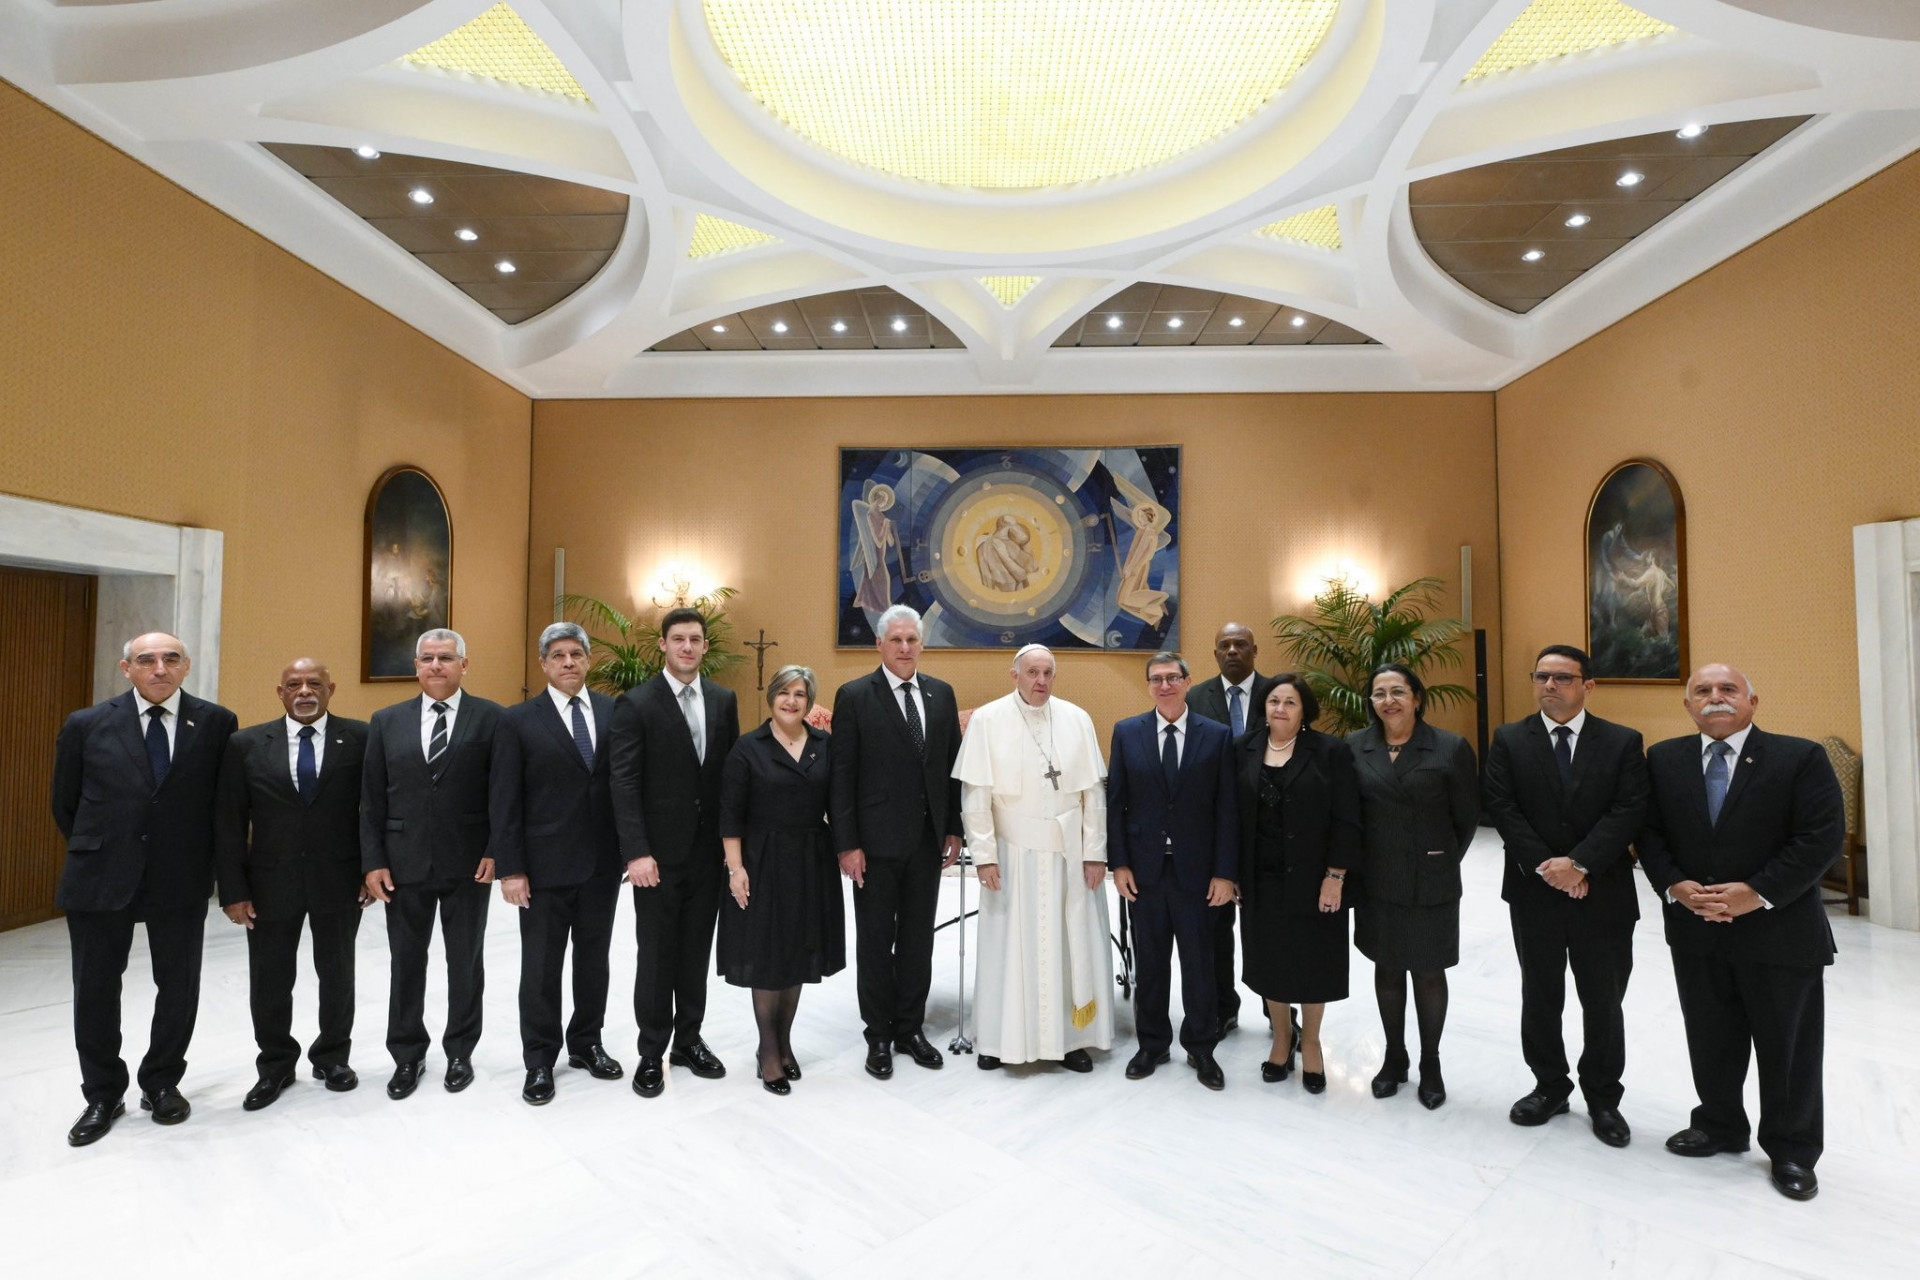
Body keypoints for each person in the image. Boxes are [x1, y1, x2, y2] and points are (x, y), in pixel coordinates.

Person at [1639, 664, 1844, 1201]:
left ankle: (1793, 1150)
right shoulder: (1663, 760)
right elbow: (1650, 833)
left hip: (1780, 933)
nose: (1715, 698)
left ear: (1753, 700)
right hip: (1696, 928)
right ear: (1687, 707)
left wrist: (1755, 893)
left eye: (1728, 689)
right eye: (1702, 691)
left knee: (1789, 1049)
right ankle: (1719, 1125)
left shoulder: (1799, 758)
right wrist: (1675, 885)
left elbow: (1820, 838)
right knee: (1710, 1038)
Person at [51, 631, 237, 1146]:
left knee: (178, 986)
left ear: (186, 666)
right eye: (147, 660)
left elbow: (223, 807)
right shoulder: (87, 724)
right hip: (100, 875)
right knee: (94, 989)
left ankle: (161, 1082)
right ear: (126, 668)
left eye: (170, 659)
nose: (159, 668)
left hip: (179, 876)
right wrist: (107, 847)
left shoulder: (216, 722)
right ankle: (102, 1094)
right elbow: (65, 802)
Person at [1483, 643, 1647, 1148]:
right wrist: (1549, 867)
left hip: (1604, 893)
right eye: (1541, 677)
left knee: (1603, 1000)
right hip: (1535, 894)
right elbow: (1503, 808)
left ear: (1588, 686)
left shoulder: (1622, 741)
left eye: (1562, 678)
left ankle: (1603, 1096)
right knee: (1541, 994)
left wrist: (1579, 864)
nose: (1549, 686)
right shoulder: (1510, 739)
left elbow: (1628, 811)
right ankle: (1549, 1085)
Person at [214, 658, 367, 1111]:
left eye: (314, 684)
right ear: (279, 692)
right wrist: (234, 890)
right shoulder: (244, 744)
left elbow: (373, 810)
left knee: (337, 973)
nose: (305, 691)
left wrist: (370, 870)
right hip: (268, 884)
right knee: (270, 979)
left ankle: (333, 1057)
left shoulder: (359, 738)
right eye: (295, 684)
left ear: (331, 689)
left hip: (339, 879)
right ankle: (276, 1064)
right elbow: (228, 821)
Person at [953, 644, 1113, 1071]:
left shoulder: (1077, 719)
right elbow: (976, 796)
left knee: (1069, 942)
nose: (1040, 681)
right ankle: (996, 1039)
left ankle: (1070, 1040)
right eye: (1032, 673)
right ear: (1015, 675)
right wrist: (984, 856)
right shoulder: (988, 720)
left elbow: (1093, 796)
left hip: (1069, 854)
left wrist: (1095, 853)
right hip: (1013, 854)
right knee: (1006, 945)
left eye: (1047, 673)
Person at [360, 628, 503, 1100]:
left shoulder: (491, 719)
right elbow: (371, 800)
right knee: (406, 962)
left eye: (446, 658)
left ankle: (460, 1049)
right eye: (427, 658)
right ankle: (407, 1054)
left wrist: (496, 848)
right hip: (403, 864)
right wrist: (374, 860)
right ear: (416, 666)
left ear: (464, 664)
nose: (436, 666)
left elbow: (503, 795)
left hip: (469, 863)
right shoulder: (386, 720)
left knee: (465, 961)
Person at [489, 623, 625, 1106]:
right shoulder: (518, 720)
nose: (568, 662)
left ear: (588, 661)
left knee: (594, 962)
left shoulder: (614, 712)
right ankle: (539, 1059)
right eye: (558, 655)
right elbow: (504, 800)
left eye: (576, 654)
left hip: (602, 866)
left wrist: (631, 849)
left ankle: (587, 1043)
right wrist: (511, 869)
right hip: (542, 869)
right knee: (542, 967)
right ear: (543, 664)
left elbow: (624, 789)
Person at [827, 604, 963, 1080]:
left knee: (916, 942)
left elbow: (950, 769)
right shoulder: (855, 695)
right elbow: (842, 778)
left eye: (913, 640)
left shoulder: (941, 694)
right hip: (874, 847)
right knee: (875, 941)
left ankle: (910, 1028)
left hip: (926, 844)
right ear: (880, 645)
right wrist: (847, 844)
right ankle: (879, 1035)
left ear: (922, 644)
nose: (905, 648)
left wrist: (955, 828)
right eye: (897, 640)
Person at [609, 606, 740, 1098]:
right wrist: (636, 852)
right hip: (656, 860)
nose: (687, 647)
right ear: (662, 645)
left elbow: (729, 779)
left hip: (708, 856)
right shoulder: (637, 703)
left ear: (706, 646)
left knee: (694, 955)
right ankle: (650, 1052)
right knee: (657, 956)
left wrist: (733, 853)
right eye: (678, 639)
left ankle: (688, 1040)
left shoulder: (724, 701)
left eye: (695, 639)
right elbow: (623, 783)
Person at [1348, 662, 1479, 1109]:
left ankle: (1431, 1062)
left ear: (1417, 697)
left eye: (1398, 691)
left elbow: (1466, 820)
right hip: (1377, 879)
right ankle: (1394, 1057)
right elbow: (1349, 817)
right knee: (1387, 968)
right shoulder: (1354, 748)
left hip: (1431, 879)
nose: (1389, 701)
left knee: (1427, 971)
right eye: (1380, 693)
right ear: (1371, 702)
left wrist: (1438, 859)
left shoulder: (1449, 747)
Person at [1106, 652, 1238, 1089]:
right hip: (1144, 872)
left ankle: (1201, 1048)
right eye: (1156, 679)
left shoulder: (1216, 736)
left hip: (1198, 874)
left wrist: (1224, 873)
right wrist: (1119, 863)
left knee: (1200, 964)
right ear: (1148, 686)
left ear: (1187, 681)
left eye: (1172, 677)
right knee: (1151, 961)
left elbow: (1227, 809)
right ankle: (1153, 1044)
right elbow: (1117, 806)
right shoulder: (1127, 733)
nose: (1165, 685)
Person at [719, 665, 845, 1095]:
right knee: (768, 955)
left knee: (798, 953)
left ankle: (784, 1042)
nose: (792, 701)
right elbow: (730, 817)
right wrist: (736, 869)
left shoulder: (825, 744)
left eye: (801, 694)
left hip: (812, 859)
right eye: (785, 693)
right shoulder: (747, 748)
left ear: (809, 702)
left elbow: (839, 804)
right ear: (771, 697)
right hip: (762, 859)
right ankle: (768, 1050)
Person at [1233, 674, 1359, 1093]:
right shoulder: (1244, 749)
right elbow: (1232, 817)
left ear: (1304, 710)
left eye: (1290, 702)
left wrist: (1335, 876)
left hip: (1313, 878)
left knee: (1313, 960)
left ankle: (1311, 1042)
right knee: (1270, 959)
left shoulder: (1330, 752)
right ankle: (1281, 1038)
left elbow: (1347, 818)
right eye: (1273, 701)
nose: (1280, 708)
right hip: (1260, 878)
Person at [1186, 622, 1278, 1034]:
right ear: (1215, 653)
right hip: (1213, 830)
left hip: (1270, 827)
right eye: (1224, 645)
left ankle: (1278, 1012)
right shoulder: (1196, 697)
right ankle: (1225, 1007)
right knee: (1216, 926)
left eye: (1241, 644)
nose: (1232, 651)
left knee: (1268, 928)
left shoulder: (1278, 694)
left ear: (1255, 650)